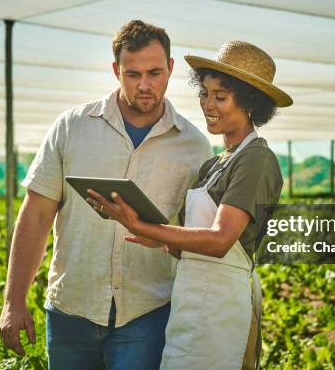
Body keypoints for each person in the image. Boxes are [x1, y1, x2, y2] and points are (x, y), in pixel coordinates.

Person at [0, 20, 212, 369]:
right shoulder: (72, 127)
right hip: (72, 308)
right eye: (132, 74)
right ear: (116, 70)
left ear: (171, 68)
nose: (145, 84)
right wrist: (13, 301)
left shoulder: (194, 146)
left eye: (155, 72)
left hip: (148, 313)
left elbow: (197, 234)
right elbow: (36, 214)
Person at [87, 40, 292, 369]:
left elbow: (222, 240)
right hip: (190, 301)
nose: (208, 104)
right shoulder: (214, 165)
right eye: (204, 93)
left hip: (221, 307)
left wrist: (145, 226)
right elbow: (189, 245)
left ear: (251, 104)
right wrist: (161, 240)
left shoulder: (257, 159)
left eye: (220, 97)